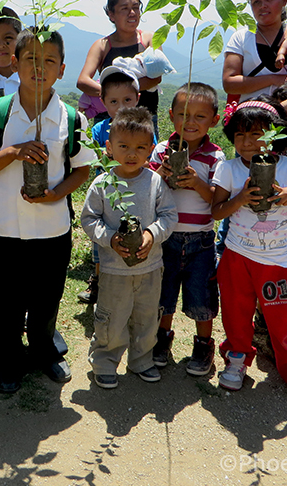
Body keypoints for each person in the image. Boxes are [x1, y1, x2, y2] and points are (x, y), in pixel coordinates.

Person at [0, 27, 95, 393]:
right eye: (30, 59)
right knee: (5, 302)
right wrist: (13, 152)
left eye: (49, 61)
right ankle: (7, 359)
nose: (39, 68)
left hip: (51, 229)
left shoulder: (72, 119)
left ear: (61, 69)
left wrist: (56, 194)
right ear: (15, 63)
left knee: (46, 299)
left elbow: (83, 169)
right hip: (3, 228)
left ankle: (44, 351)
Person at [211, 99, 287, 407]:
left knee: (283, 321)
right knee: (235, 314)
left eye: (257, 134)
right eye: (240, 135)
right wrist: (240, 198)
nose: (248, 142)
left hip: (278, 261)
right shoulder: (228, 168)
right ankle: (236, 359)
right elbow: (217, 212)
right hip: (236, 256)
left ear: (275, 135)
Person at [82, 107, 177, 388]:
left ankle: (142, 360)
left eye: (140, 148)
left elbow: (169, 215)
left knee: (147, 318)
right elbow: (89, 219)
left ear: (150, 149)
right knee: (111, 319)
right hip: (113, 269)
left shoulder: (155, 182)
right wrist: (110, 238)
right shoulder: (103, 183)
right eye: (123, 146)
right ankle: (105, 362)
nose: (131, 154)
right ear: (109, 148)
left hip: (151, 268)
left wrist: (151, 234)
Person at [149, 83, 224, 375]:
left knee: (201, 295)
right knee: (164, 294)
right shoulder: (161, 150)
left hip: (201, 241)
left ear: (213, 121)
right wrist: (160, 174)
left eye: (199, 117)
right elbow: (150, 190)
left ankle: (204, 344)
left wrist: (197, 182)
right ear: (171, 116)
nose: (190, 122)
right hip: (165, 238)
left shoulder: (215, 158)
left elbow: (217, 200)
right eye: (183, 114)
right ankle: (161, 340)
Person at [77, 66, 144, 305]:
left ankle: (134, 284)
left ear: (138, 99)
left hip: (136, 195)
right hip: (108, 196)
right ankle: (98, 282)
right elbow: (95, 162)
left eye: (127, 100)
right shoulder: (99, 129)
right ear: (103, 102)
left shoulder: (144, 129)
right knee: (102, 243)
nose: (121, 106)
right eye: (114, 101)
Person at [77, 0, 162, 129]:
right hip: (107, 121)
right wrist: (112, 94)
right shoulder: (101, 46)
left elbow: (156, 77)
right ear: (111, 15)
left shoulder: (150, 39)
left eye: (136, 7)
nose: (132, 13)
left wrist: (120, 92)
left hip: (144, 120)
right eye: (125, 8)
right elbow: (82, 81)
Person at [222, 0, 287, 105]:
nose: (263, 6)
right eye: (256, 2)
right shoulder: (241, 38)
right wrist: (273, 79)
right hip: (250, 117)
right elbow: (229, 84)